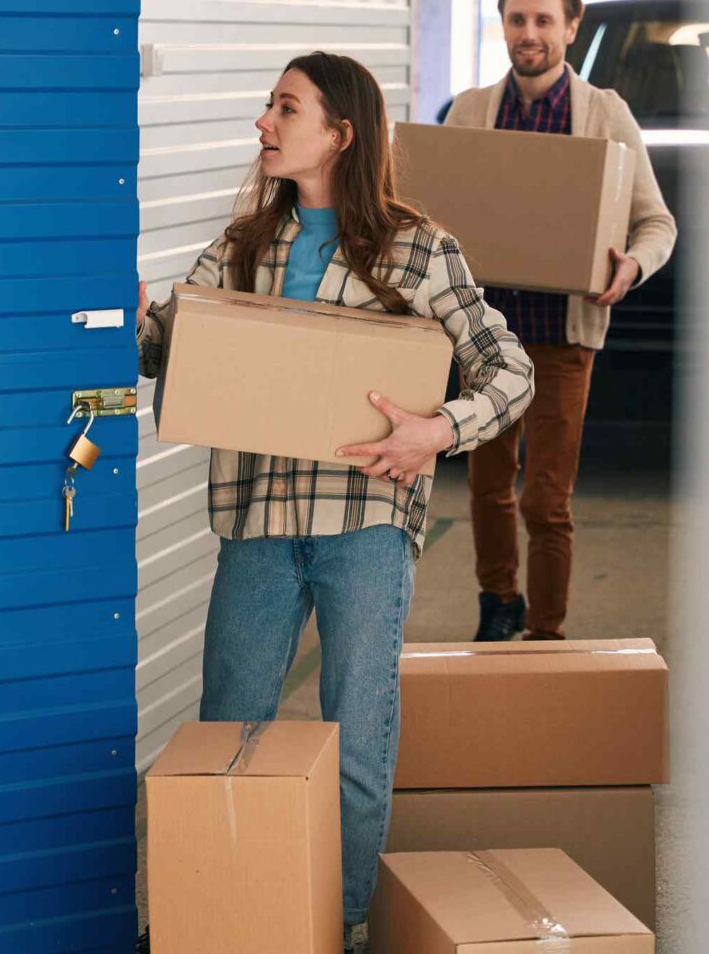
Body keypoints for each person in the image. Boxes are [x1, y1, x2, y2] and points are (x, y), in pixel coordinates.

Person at [134, 52, 533, 952]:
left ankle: (341, 923)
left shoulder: (421, 249)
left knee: (356, 742)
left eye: (285, 107)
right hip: (259, 527)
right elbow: (171, 346)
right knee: (229, 731)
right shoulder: (242, 246)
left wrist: (438, 431)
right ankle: (227, 914)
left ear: (340, 133)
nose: (264, 124)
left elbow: (511, 373)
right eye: (269, 106)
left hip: (364, 528)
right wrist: (136, 318)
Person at [445, 0, 677, 642]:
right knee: (487, 490)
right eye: (518, 20)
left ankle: (546, 633)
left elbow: (656, 222)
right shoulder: (470, 112)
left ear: (571, 29)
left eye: (544, 21)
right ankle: (499, 602)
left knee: (545, 500)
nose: (529, 34)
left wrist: (632, 265)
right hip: (487, 340)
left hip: (563, 338)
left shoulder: (606, 116)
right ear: (504, 27)